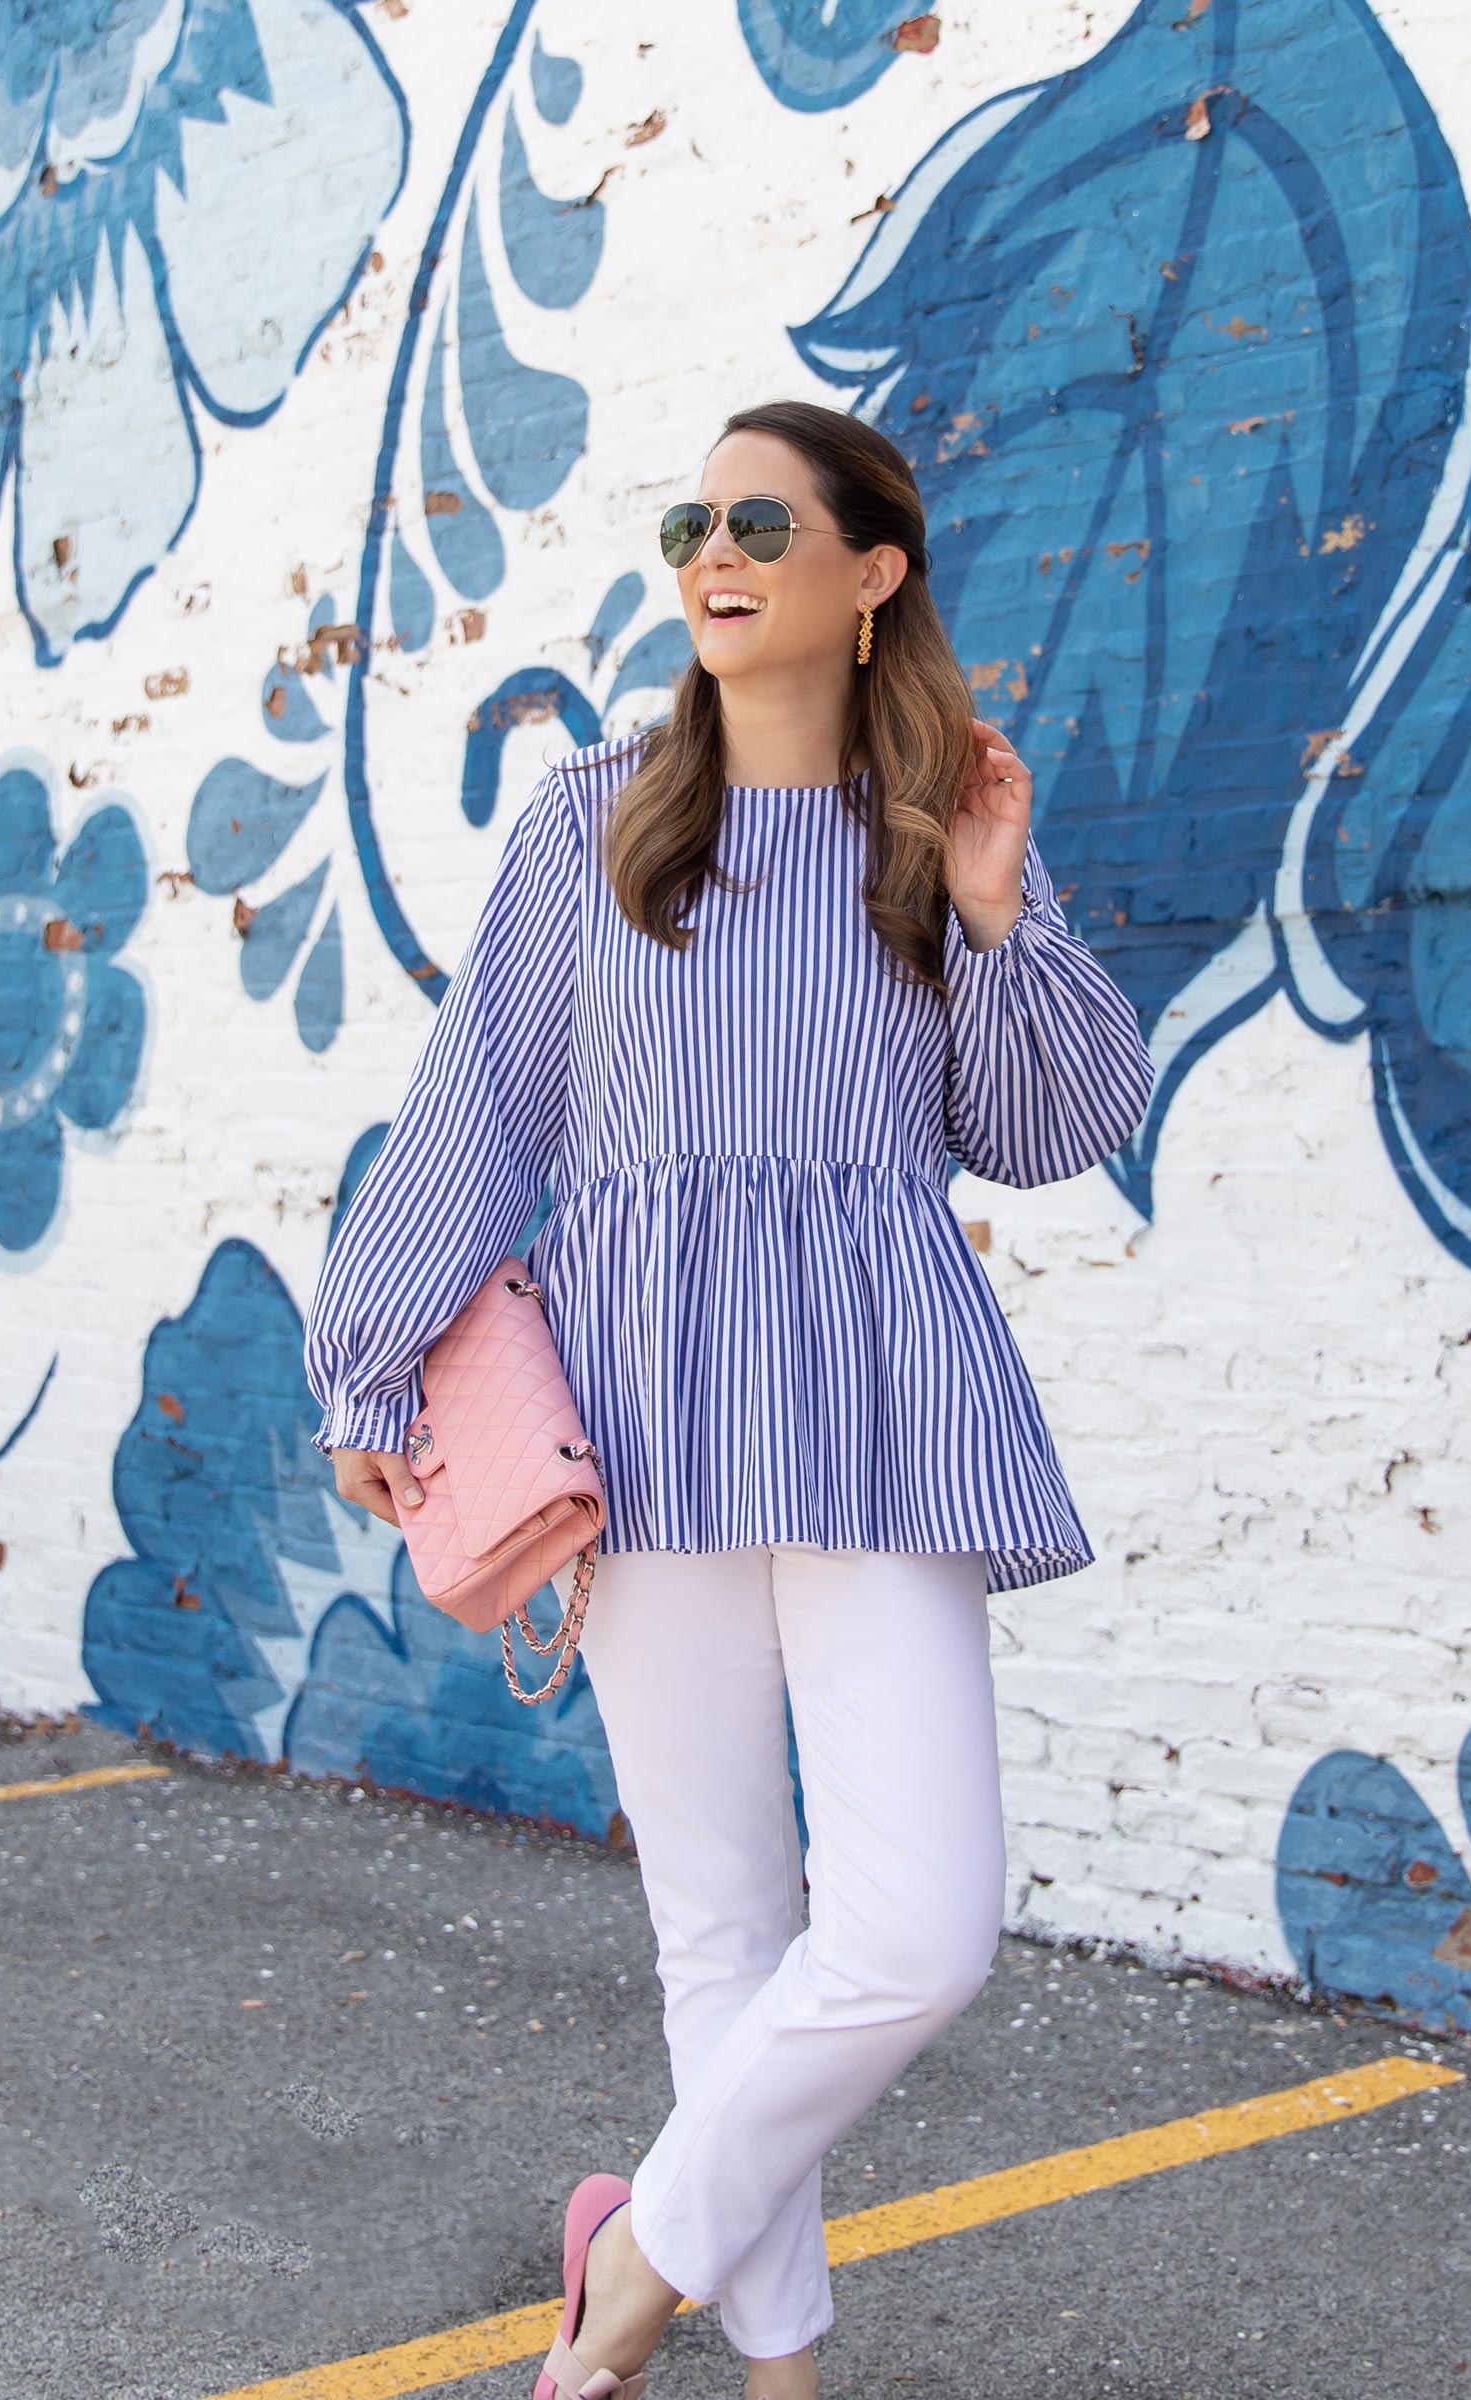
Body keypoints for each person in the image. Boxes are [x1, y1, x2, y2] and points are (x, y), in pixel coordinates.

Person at [303, 399, 1155, 2399]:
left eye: (762, 518)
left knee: (918, 1934)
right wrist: (371, 1347)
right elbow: (468, 1125)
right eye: (696, 515)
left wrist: (996, 906)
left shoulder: (928, 834)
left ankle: (624, 2279)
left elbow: (1052, 1123)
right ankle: (774, 2366)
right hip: (641, 1416)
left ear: (872, 576)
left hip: (877, 1415)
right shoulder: (586, 825)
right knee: (721, 1927)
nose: (715, 544)